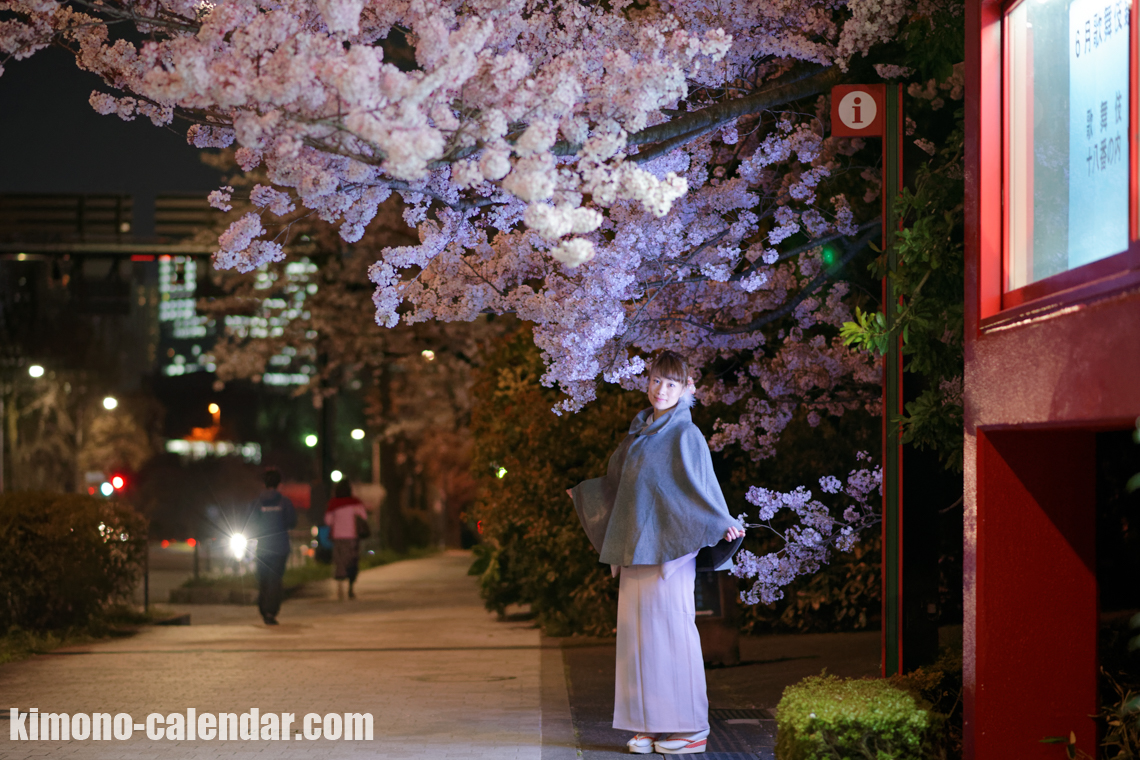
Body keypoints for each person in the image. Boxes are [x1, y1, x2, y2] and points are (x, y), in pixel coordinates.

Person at [569, 351, 745, 755]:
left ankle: (690, 727)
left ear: (686, 389)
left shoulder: (686, 434)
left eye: (671, 383)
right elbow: (619, 487)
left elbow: (700, 489)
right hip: (635, 548)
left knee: (671, 634)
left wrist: (720, 521)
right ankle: (646, 724)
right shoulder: (638, 434)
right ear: (646, 382)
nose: (661, 389)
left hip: (671, 551)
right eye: (655, 380)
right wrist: (585, 497)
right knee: (636, 638)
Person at [249, 468, 296, 625]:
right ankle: (271, 612)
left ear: (263, 484)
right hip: (280, 547)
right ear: (279, 484)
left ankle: (263, 609)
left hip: (262, 547)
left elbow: (251, 521)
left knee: (263, 580)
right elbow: (292, 522)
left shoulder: (256, 503)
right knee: (275, 580)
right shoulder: (284, 502)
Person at [324, 480, 369, 600]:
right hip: (352, 536)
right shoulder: (355, 503)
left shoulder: (333, 504)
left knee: (340, 561)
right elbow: (364, 516)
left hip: (338, 537)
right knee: (352, 561)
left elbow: (328, 521)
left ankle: (339, 587)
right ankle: (351, 587)